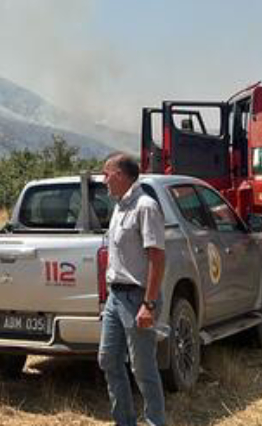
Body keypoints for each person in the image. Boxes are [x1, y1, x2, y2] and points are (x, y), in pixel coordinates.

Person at [98, 153, 168, 426]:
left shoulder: (145, 206)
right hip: (116, 298)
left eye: (107, 173)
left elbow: (157, 258)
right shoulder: (119, 206)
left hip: (138, 298)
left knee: (143, 368)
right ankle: (124, 421)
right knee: (108, 360)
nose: (104, 180)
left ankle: (155, 422)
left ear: (122, 175)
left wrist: (148, 304)